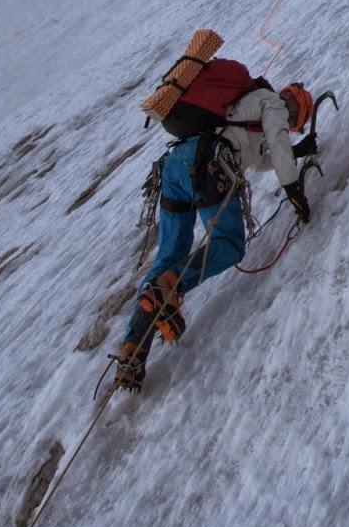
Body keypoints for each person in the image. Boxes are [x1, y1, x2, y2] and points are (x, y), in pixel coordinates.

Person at [115, 71, 317, 391]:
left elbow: (257, 159)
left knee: (170, 256)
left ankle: (132, 351)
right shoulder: (273, 105)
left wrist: (297, 152)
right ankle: (171, 286)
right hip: (208, 165)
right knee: (228, 244)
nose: (288, 124)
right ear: (295, 112)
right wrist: (294, 190)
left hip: (175, 165)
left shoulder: (243, 103)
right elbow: (276, 144)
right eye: (293, 122)